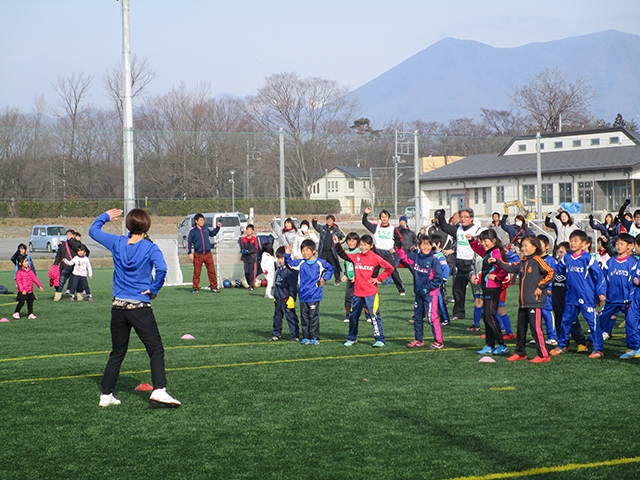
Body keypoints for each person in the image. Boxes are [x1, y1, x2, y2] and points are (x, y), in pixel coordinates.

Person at [89, 208, 180, 408]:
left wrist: (105, 216)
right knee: (156, 350)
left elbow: (93, 231)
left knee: (117, 352)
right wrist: (154, 289)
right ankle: (159, 390)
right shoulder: (150, 247)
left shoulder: (118, 242)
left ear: (128, 226)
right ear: (147, 226)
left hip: (118, 308)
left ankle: (106, 395)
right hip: (139, 307)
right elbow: (162, 268)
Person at [490, 236, 555, 363]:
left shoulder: (537, 261)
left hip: (534, 301)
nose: (523, 248)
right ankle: (520, 352)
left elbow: (551, 273)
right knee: (521, 328)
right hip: (523, 302)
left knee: (536, 329)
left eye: (526, 245)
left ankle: (543, 355)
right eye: (522, 246)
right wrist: (497, 262)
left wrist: (540, 286)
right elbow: (510, 267)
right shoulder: (523, 262)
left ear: (534, 247)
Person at [551, 230, 606, 359]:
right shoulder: (567, 258)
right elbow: (558, 270)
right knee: (565, 321)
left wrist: (601, 291)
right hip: (571, 296)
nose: (572, 243)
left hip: (586, 297)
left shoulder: (588, 258)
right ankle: (562, 345)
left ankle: (598, 349)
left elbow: (599, 276)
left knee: (593, 323)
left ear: (583, 244)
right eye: (571, 241)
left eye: (575, 241)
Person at [334, 234, 394, 348]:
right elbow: (343, 255)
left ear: (371, 246)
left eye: (366, 245)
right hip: (357, 293)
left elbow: (389, 268)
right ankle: (352, 338)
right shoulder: (356, 256)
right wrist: (337, 244)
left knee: (374, 316)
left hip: (370, 293)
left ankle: (379, 339)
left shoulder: (375, 257)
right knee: (353, 316)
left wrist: (379, 278)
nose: (363, 247)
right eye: (361, 244)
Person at [435, 207, 485, 320]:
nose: (463, 219)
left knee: (477, 291)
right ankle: (458, 313)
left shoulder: (478, 230)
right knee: (458, 291)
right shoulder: (458, 229)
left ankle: (482, 313)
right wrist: (441, 217)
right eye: (461, 217)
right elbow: (445, 227)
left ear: (471, 218)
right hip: (460, 263)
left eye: (466, 217)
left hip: (472, 265)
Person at [396, 235, 445, 349]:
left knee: (431, 318)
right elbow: (404, 257)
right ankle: (419, 340)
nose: (425, 247)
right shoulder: (416, 257)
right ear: (419, 246)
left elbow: (438, 279)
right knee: (417, 317)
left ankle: (439, 341)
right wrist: (399, 246)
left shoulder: (434, 260)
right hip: (419, 293)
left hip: (430, 294)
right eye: (423, 244)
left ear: (431, 245)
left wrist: (427, 288)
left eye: (428, 244)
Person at [284, 239, 334, 345]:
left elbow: (331, 268)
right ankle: (306, 336)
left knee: (313, 317)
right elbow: (289, 264)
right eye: (303, 250)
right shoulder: (301, 263)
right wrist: (287, 255)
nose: (305, 252)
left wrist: (324, 279)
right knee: (304, 318)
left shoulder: (320, 263)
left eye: (307, 250)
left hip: (314, 295)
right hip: (303, 295)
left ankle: (315, 338)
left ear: (314, 251)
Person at [468, 229, 509, 355]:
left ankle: (502, 345)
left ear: (494, 241)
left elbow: (504, 267)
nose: (483, 244)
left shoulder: (495, 252)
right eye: (482, 241)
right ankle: (490, 345)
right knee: (487, 317)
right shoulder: (489, 252)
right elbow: (478, 250)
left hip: (493, 288)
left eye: (486, 241)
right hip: (486, 287)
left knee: (490, 316)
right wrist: (472, 241)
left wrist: (497, 277)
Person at [551, 242, 589, 353]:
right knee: (559, 321)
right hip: (557, 300)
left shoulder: (571, 267)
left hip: (568, 299)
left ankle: (581, 343)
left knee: (572, 322)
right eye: (558, 252)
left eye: (561, 252)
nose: (559, 254)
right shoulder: (556, 267)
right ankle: (563, 344)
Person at [599, 233, 636, 340]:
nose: (619, 246)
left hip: (627, 300)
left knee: (631, 321)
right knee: (603, 319)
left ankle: (633, 344)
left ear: (629, 246)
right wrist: (602, 292)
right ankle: (597, 337)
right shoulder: (610, 262)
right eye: (617, 243)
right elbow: (603, 279)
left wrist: (633, 296)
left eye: (622, 244)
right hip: (612, 298)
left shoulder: (633, 263)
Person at [362, 206, 406, 295]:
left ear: (388, 218)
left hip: (388, 252)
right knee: (374, 270)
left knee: (393, 270)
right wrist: (365, 213)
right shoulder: (376, 227)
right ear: (380, 218)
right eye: (382, 217)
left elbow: (400, 239)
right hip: (377, 252)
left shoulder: (393, 228)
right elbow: (365, 222)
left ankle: (401, 290)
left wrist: (396, 249)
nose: (384, 218)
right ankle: (370, 288)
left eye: (385, 217)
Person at [267, 247, 300, 342]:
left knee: (291, 318)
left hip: (287, 301)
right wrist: (275, 296)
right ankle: (276, 334)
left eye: (282, 258)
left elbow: (293, 287)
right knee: (277, 318)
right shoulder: (279, 271)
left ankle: (295, 335)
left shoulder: (290, 272)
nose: (281, 260)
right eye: (279, 258)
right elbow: (277, 285)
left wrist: (291, 298)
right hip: (279, 300)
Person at [187, 213, 221, 294]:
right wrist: (189, 253)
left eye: (203, 220)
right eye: (201, 220)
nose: (202, 221)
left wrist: (218, 227)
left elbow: (212, 234)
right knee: (197, 272)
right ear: (196, 221)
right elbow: (188, 242)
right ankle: (195, 287)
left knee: (212, 271)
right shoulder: (192, 231)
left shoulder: (205, 229)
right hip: (198, 255)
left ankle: (214, 287)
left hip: (208, 254)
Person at [536, 235, 558, 346]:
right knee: (536, 315)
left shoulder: (551, 261)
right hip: (535, 293)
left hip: (546, 293)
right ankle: (538, 336)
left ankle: (552, 336)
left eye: (540, 244)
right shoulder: (534, 260)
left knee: (547, 314)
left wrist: (550, 289)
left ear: (547, 246)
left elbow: (554, 276)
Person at [312, 214, 344, 285]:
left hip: (331, 251)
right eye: (328, 220)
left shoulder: (336, 230)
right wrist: (314, 221)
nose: (329, 221)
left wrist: (338, 242)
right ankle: (318, 280)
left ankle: (337, 279)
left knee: (334, 266)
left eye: (331, 220)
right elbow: (315, 226)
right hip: (323, 251)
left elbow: (343, 237)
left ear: (333, 221)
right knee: (320, 266)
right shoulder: (323, 228)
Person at [53, 229, 82, 301]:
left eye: (70, 234)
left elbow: (77, 248)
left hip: (75, 267)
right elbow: (59, 255)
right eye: (67, 234)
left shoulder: (77, 243)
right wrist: (55, 263)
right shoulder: (63, 245)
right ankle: (57, 296)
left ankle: (80, 296)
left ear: (73, 235)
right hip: (65, 266)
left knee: (78, 282)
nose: (68, 236)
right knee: (61, 281)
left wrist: (71, 240)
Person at [13, 254, 43, 320]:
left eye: (27, 261)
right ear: (20, 263)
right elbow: (19, 282)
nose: (26, 263)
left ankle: (30, 313)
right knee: (21, 302)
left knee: (30, 302)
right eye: (25, 261)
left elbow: (34, 278)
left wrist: (39, 285)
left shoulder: (30, 271)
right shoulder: (19, 273)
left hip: (30, 290)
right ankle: (16, 312)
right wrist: (22, 290)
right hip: (23, 291)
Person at [340, 232, 361, 322]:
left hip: (359, 280)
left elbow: (360, 266)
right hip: (350, 280)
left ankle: (368, 316)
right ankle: (348, 316)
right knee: (348, 297)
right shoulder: (346, 253)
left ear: (357, 242)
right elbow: (346, 265)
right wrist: (345, 274)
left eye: (353, 241)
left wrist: (356, 276)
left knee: (361, 298)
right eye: (349, 241)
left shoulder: (359, 252)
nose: (351, 243)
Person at [240, 224, 260, 291]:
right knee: (246, 272)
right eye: (247, 230)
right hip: (245, 258)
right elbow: (242, 247)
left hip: (252, 258)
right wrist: (243, 251)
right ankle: (249, 284)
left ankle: (251, 285)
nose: (248, 231)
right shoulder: (243, 239)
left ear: (253, 231)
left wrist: (249, 252)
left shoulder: (254, 239)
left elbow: (256, 248)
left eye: (250, 230)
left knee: (251, 272)